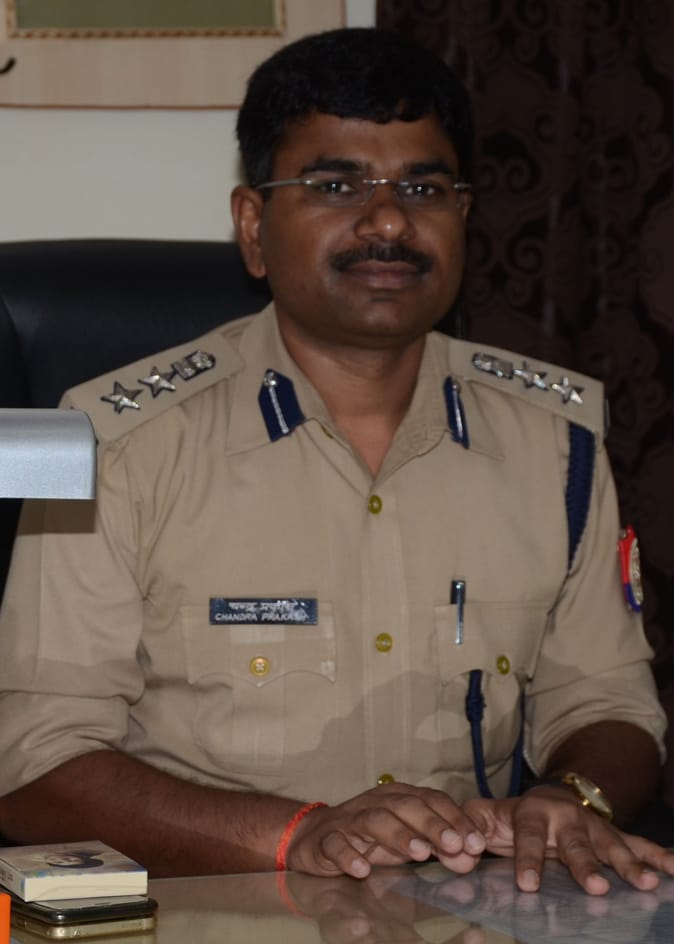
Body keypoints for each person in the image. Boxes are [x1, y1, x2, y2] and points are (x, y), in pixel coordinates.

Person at [0, 27, 671, 896]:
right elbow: (32, 764)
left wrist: (570, 797)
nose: (389, 221)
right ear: (253, 226)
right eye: (335, 185)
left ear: (464, 217)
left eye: (424, 188)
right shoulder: (89, 437)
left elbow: (611, 706)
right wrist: (298, 834)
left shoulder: (560, 441)